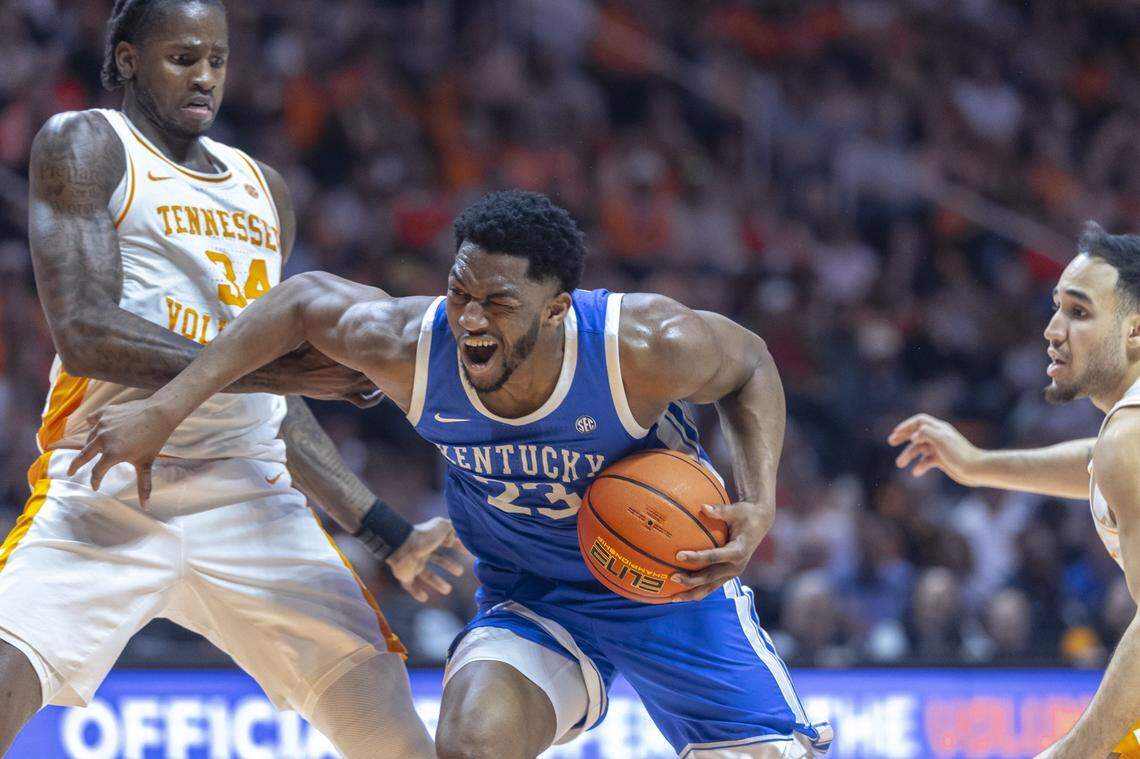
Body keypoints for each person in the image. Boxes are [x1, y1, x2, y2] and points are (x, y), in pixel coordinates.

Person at [74, 190, 832, 758]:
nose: (471, 317)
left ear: (559, 307)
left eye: (498, 302)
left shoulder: (642, 343)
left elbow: (752, 366)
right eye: (460, 290)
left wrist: (759, 501)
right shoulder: (413, 344)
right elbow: (300, 302)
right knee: (470, 744)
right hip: (535, 597)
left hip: (672, 591)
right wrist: (163, 411)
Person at [0, 1, 461, 756]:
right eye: (183, 57)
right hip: (110, 480)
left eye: (217, 58)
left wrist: (382, 528)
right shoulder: (87, 142)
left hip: (254, 495)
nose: (206, 76)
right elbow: (84, 331)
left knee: (399, 740)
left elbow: (271, 400)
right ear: (126, 60)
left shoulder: (263, 186)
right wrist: (282, 370)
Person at [888, 222, 1140, 759]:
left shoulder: (1130, 438)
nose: (1052, 330)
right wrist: (979, 465)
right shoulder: (1123, 438)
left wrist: (1073, 751)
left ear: (1134, 331)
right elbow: (1100, 467)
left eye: (1078, 312)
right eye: (1056, 308)